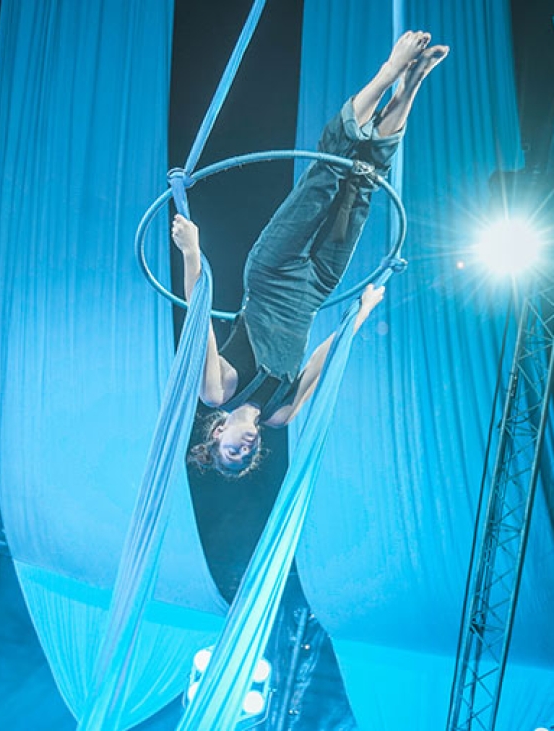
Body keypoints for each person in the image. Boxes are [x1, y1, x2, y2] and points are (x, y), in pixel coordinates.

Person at [172, 31, 449, 477]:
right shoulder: (282, 414)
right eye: (246, 456)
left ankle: (390, 69)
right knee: (362, 185)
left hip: (272, 272)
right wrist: (359, 314)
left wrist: (191, 250)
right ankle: (412, 82)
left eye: (230, 451)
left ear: (215, 434)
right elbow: (324, 358)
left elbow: (198, 316)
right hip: (318, 284)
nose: (242, 448)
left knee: (326, 175)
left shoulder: (217, 392)